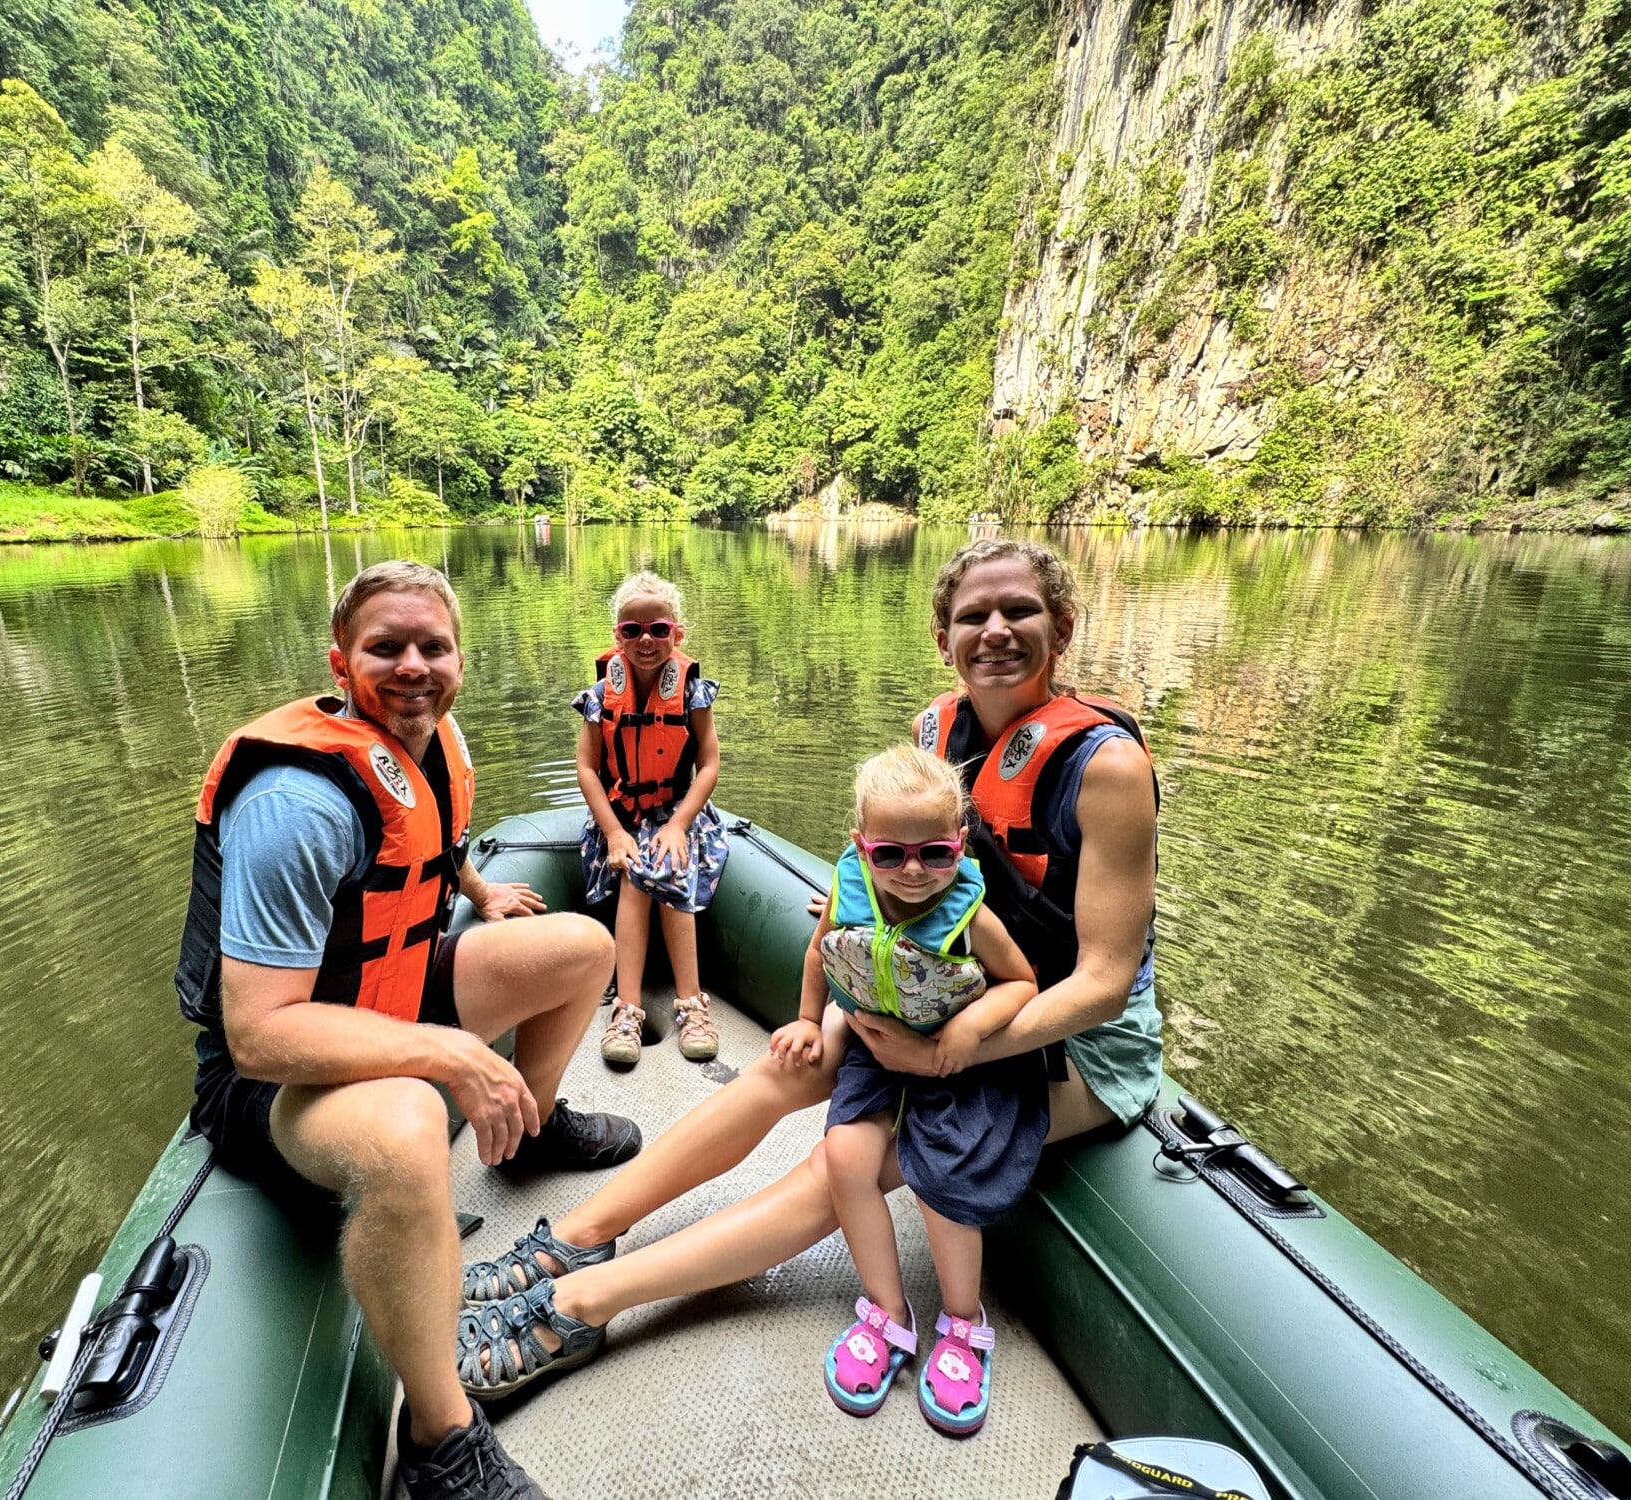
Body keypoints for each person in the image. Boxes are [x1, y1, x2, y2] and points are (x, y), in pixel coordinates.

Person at [454, 538, 1160, 1407]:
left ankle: (579, 1302)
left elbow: (1105, 984)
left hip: (1061, 1042)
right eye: (973, 615)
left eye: (1020, 611)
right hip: (935, 992)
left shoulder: (1108, 767)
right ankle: (580, 1233)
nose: (997, 631)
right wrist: (841, 1009)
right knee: (781, 1070)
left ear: (1064, 625)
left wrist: (948, 1053)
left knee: (845, 1161)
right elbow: (886, 895)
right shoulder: (936, 735)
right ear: (945, 636)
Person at [174, 560, 642, 1500]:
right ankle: (441, 1438)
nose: (414, 665)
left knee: (581, 948)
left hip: (390, 989)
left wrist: (475, 891)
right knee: (404, 1128)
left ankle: (530, 1129)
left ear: (460, 657)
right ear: (341, 662)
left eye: (433, 646)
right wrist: (449, 1053)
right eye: (386, 648)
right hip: (268, 1071)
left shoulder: (429, 739)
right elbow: (260, 1035)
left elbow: (431, 848)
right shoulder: (295, 802)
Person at [792, 745, 1038, 1433]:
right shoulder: (847, 889)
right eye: (888, 854)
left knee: (941, 1172)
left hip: (947, 1052)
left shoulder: (971, 913)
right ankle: (887, 1315)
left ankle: (962, 1322)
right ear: (859, 846)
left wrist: (969, 1033)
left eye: (934, 853)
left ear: (959, 843)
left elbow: (1020, 982)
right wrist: (809, 1022)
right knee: (845, 1158)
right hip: (874, 1046)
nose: (912, 871)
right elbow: (820, 952)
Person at [573, 571, 726, 1068]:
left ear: (676, 634)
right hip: (618, 818)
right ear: (617, 635)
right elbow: (587, 769)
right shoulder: (599, 696)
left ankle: (691, 1003)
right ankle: (627, 1007)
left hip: (677, 814)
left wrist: (679, 823)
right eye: (632, 631)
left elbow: (709, 763)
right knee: (639, 871)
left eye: (658, 630)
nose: (645, 641)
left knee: (667, 857)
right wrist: (615, 831)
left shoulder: (692, 691)